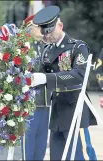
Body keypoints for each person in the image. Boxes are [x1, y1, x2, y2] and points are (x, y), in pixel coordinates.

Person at [31, 5, 97, 160]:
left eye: (50, 32)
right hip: (57, 108)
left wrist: (45, 79)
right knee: (57, 154)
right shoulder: (47, 51)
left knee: (77, 153)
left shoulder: (77, 47)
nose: (47, 37)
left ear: (60, 26)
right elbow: (40, 77)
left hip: (75, 107)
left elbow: (78, 75)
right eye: (44, 34)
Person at [20, 15, 51, 160]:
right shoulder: (23, 47)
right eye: (39, 27)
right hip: (29, 101)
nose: (42, 30)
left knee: (41, 141)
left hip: (45, 100)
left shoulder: (45, 45)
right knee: (28, 141)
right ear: (29, 28)